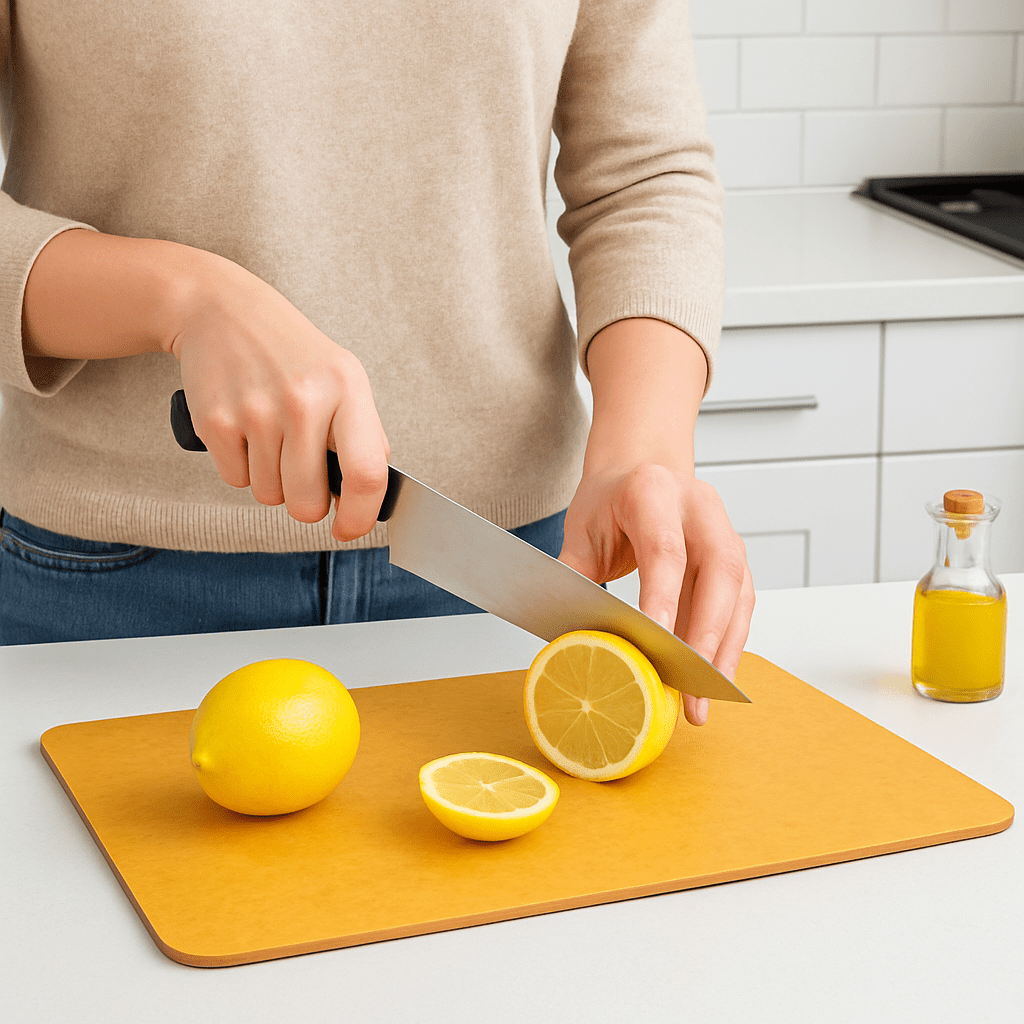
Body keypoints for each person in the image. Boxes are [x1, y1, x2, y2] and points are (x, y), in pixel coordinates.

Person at [0, 1, 753, 726]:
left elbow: (643, 178)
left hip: (510, 567)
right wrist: (182, 299)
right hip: (113, 582)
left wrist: (643, 449)